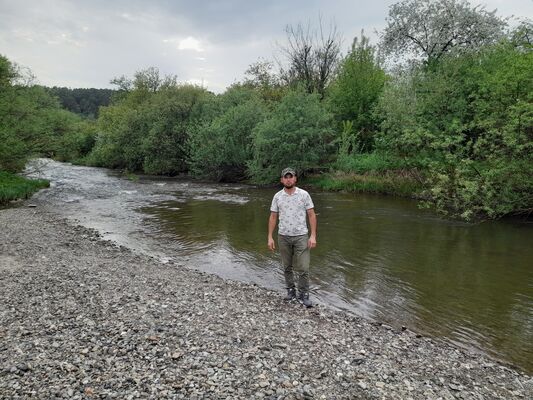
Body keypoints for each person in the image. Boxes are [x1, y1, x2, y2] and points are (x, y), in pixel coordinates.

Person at [268, 167, 317, 307]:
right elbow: (273, 217)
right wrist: (270, 237)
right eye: (286, 177)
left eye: (291, 177)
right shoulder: (277, 196)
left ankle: (304, 294)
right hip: (283, 236)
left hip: (301, 236)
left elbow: (311, 215)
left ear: (295, 179)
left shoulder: (304, 194)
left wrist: (313, 236)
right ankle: (290, 291)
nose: (288, 179)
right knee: (287, 267)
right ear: (282, 180)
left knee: (303, 267)